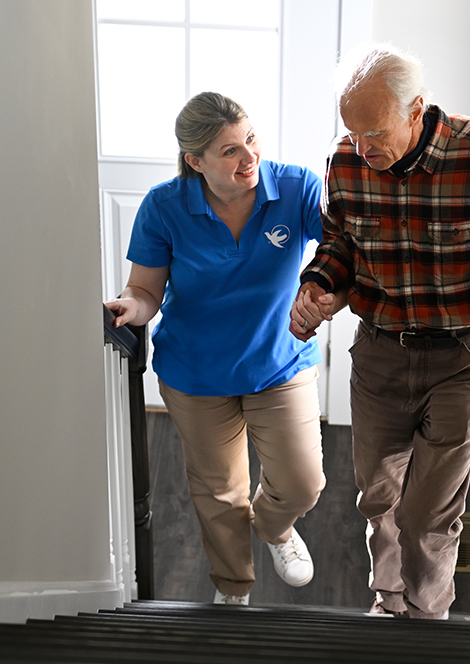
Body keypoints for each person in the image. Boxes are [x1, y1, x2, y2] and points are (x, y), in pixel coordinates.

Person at [290, 44, 470, 619]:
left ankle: (426, 618)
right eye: (352, 133)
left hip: (462, 357)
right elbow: (339, 243)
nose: (362, 149)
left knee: (428, 514)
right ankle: (388, 604)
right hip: (381, 351)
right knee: (378, 497)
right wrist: (317, 287)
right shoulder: (347, 162)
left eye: (374, 133)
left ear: (416, 110)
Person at [105, 91, 326, 606]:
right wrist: (129, 310)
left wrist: (321, 292)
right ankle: (233, 592)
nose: (248, 156)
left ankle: (274, 529)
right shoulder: (165, 205)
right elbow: (145, 291)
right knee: (219, 492)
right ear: (195, 161)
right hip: (196, 372)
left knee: (302, 483)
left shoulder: (295, 187)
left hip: (278, 364)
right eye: (229, 150)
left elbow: (338, 252)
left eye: (250, 140)